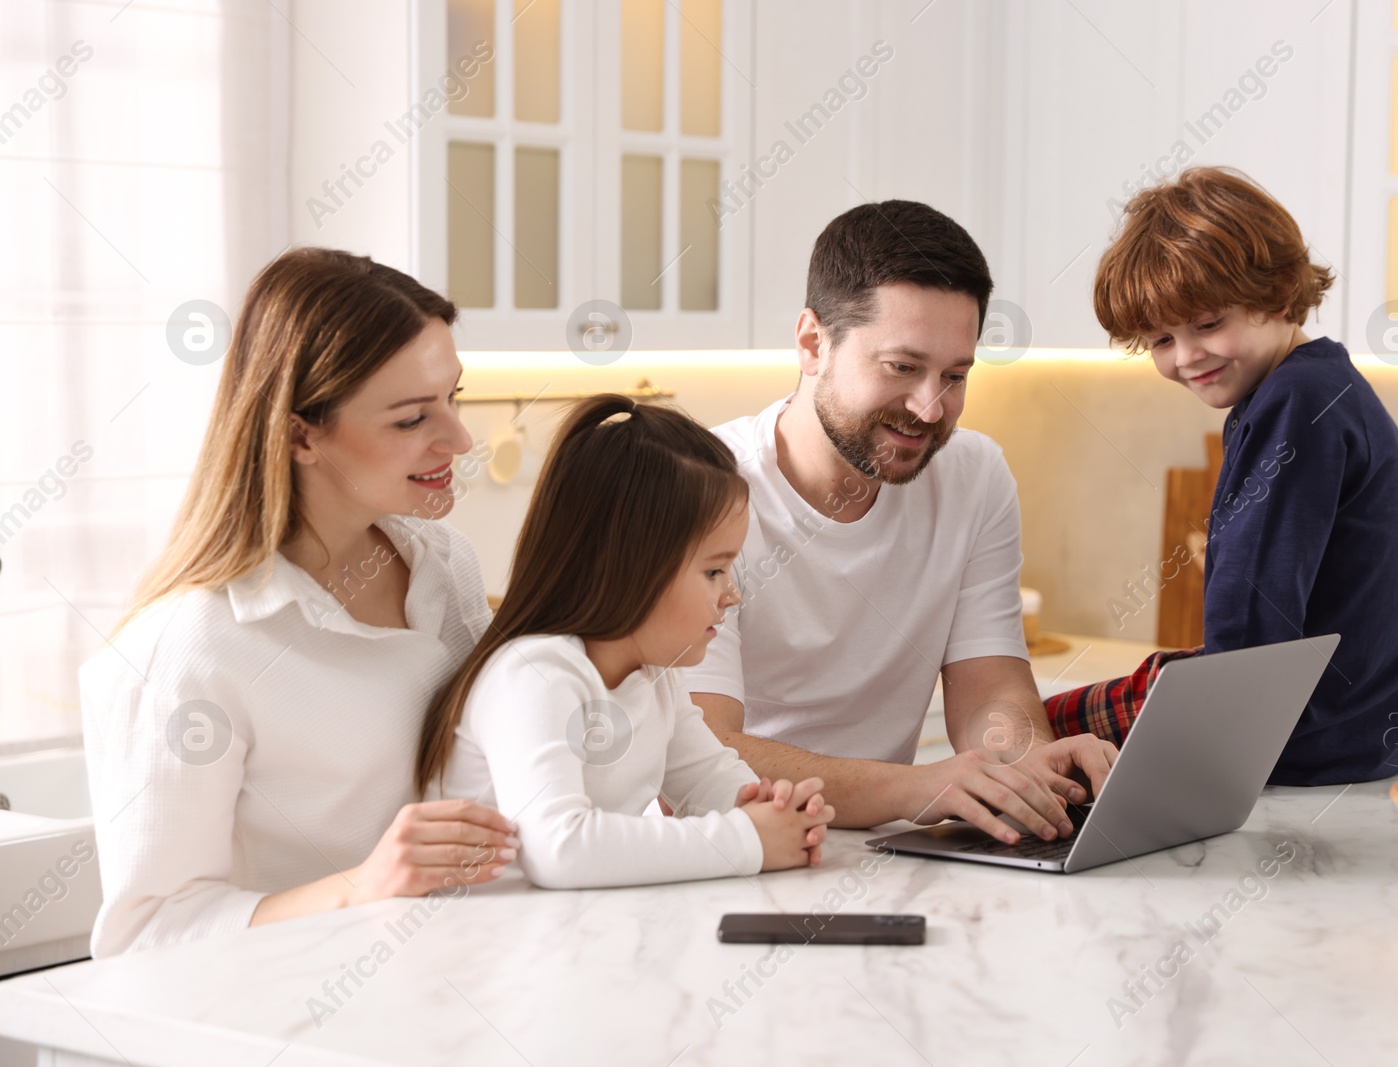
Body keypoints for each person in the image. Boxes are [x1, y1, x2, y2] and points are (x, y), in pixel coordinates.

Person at [80, 249, 518, 957]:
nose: (459, 439)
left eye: (454, 398)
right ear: (300, 435)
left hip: (452, 981)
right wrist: (360, 885)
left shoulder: (447, 566)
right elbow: (143, 934)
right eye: (411, 419)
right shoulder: (191, 645)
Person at [681, 200, 1117, 846]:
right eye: (903, 367)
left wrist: (1022, 764)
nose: (929, 406)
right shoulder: (702, 487)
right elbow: (702, 751)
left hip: (885, 849)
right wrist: (917, 787)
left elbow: (992, 688)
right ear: (812, 344)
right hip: (734, 848)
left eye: (956, 375)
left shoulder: (975, 477)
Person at [1050, 165, 1398, 786]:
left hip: (1288, 740)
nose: (1186, 357)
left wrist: (1209, 763)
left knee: (1028, 731)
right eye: (1159, 340)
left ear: (1281, 294)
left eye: (1207, 324)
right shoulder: (1322, 387)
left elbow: (1250, 611)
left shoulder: (1295, 403)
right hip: (1351, 738)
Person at [419, 395, 834, 888]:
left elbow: (706, 777)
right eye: (714, 570)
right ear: (630, 567)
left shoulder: (657, 675)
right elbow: (559, 849)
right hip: (481, 940)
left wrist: (770, 808)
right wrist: (746, 840)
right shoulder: (538, 674)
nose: (732, 594)